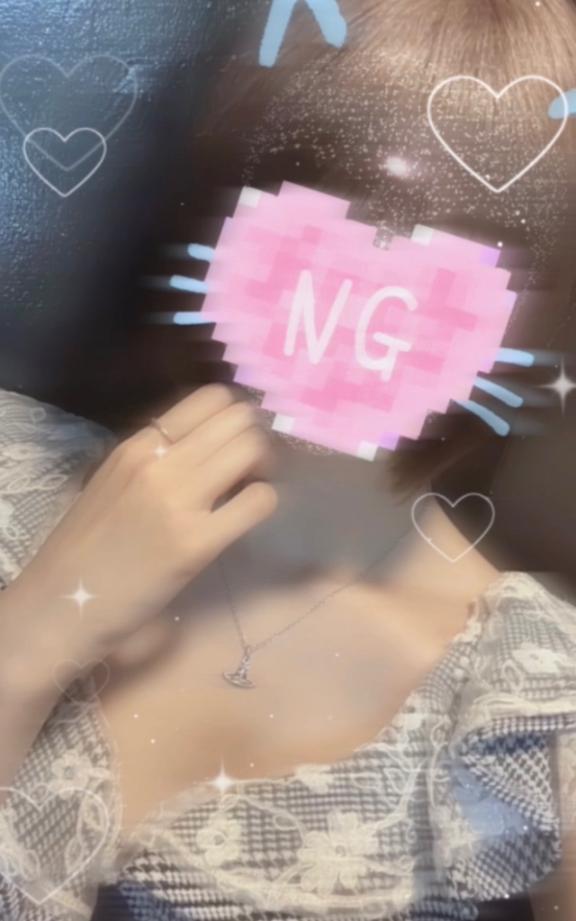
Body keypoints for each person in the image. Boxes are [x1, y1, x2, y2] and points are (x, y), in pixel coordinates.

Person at [1, 1, 576, 920]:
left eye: (467, 234)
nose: (371, 281)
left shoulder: (533, 701)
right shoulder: (12, 471)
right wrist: (32, 633)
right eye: (330, 193)